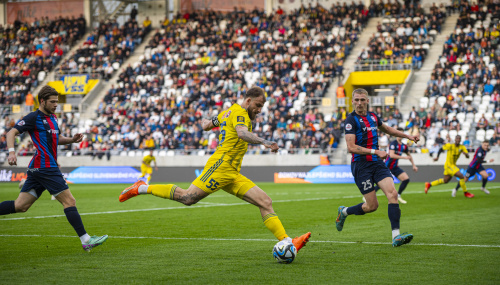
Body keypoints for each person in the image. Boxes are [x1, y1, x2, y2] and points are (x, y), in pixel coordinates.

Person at [119, 86, 311, 253]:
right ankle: (142, 187)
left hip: (232, 172)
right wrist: (266, 142)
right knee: (188, 198)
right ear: (248, 100)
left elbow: (207, 125)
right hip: (220, 165)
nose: (259, 110)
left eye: (262, 107)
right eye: (258, 106)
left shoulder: (229, 112)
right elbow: (242, 133)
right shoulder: (240, 114)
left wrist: (208, 122)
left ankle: (287, 242)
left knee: (265, 201)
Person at [0, 86, 108, 251]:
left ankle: (86, 240)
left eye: (57, 102)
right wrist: (12, 153)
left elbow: (56, 139)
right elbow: (11, 133)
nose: (56, 104)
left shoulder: (53, 118)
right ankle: (86, 240)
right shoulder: (33, 117)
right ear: (42, 101)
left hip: (39, 168)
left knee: (21, 205)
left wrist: (71, 139)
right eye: (53, 102)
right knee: (69, 201)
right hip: (46, 167)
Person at [336, 88, 418, 247]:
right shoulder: (351, 121)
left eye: (362, 100)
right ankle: (344, 211)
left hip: (377, 163)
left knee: (393, 194)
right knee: (372, 206)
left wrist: (407, 136)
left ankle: (396, 236)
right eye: (357, 100)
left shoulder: (373, 117)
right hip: (361, 166)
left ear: (367, 101)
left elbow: (387, 129)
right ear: (352, 101)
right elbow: (351, 147)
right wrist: (376, 151)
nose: (359, 103)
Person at [372, 130, 418, 204]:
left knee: (406, 179)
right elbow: (392, 155)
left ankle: (398, 195)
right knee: (383, 184)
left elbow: (409, 156)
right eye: (399, 133)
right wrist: (404, 157)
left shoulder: (404, 146)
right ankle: (370, 195)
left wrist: (414, 165)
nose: (400, 135)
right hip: (387, 166)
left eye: (401, 133)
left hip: (394, 167)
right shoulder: (393, 144)